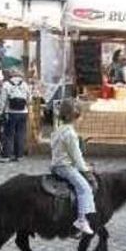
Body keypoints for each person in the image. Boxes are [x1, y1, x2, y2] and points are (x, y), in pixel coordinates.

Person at [49, 99, 96, 236]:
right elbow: (76, 157)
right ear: (77, 116)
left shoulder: (58, 130)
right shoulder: (70, 134)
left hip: (56, 165)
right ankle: (81, 220)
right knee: (85, 188)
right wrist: (86, 169)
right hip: (65, 167)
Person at [1, 69, 30, 163]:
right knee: (20, 133)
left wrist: (0, 111)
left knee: (9, 134)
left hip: (10, 112)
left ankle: (7, 155)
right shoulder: (25, 84)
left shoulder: (6, 84)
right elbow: (29, 98)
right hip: (23, 111)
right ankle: (19, 155)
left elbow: (3, 99)